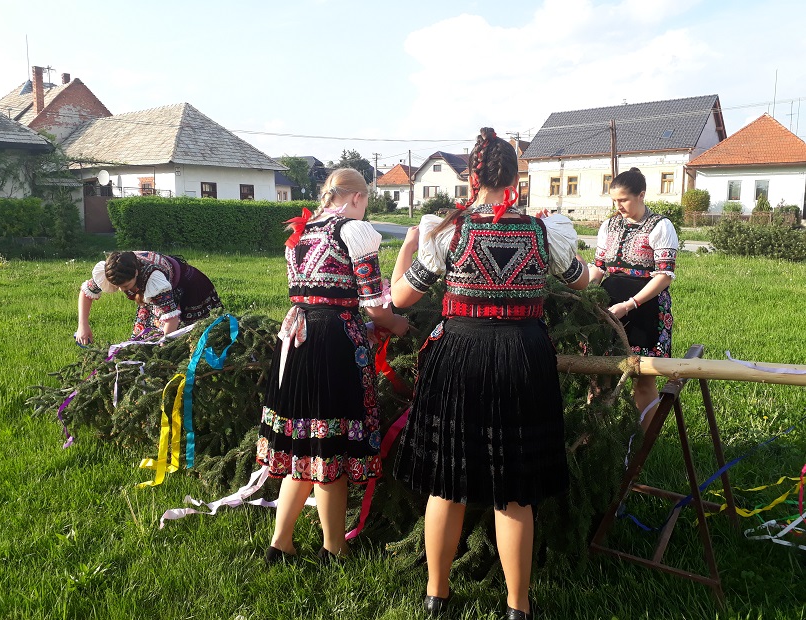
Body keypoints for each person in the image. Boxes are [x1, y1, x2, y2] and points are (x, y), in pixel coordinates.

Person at [390, 128, 589, 619]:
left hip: (460, 354)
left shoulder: (448, 231)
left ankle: (437, 596)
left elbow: (400, 298)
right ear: (516, 179)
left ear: (472, 177)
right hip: (524, 356)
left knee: (447, 481)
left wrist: (406, 248)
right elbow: (582, 280)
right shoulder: (545, 232)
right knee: (515, 489)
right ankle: (518, 607)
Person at [256, 167, 409, 563]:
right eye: (367, 201)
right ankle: (334, 547)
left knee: (305, 445)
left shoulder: (301, 233)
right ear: (357, 197)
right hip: (332, 343)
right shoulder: (354, 231)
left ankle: (281, 543)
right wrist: (397, 324)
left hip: (296, 337)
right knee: (330, 450)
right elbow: (374, 305)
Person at [587, 167, 678, 428]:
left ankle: (644, 442)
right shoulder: (609, 225)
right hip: (608, 309)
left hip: (646, 310)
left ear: (641, 195)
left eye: (623, 200)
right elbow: (599, 267)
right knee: (599, 375)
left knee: (644, 378)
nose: (618, 206)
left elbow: (665, 276)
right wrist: (587, 294)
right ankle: (596, 436)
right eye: (614, 200)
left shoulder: (660, 226)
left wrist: (630, 304)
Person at [76, 251, 223, 344]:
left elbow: (171, 318)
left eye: (126, 286)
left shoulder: (154, 279)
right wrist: (83, 325)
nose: (122, 290)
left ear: (136, 273)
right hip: (153, 289)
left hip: (189, 287)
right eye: (117, 286)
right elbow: (86, 293)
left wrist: (164, 346)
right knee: (144, 337)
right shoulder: (112, 270)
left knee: (191, 338)